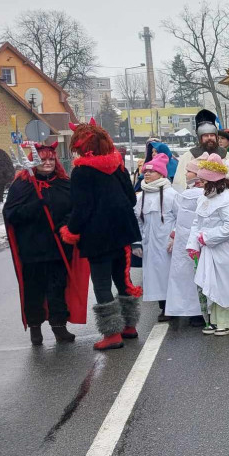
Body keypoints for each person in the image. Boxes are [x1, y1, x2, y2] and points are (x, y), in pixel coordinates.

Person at [60, 123, 143, 351]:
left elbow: (81, 208)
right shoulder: (117, 166)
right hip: (123, 232)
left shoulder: (81, 172)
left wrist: (71, 232)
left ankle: (112, 333)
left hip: (98, 237)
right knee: (122, 278)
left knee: (102, 284)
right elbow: (132, 199)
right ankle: (129, 326)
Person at [4, 141, 82, 345]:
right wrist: (36, 206)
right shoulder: (22, 185)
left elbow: (74, 209)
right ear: (34, 162)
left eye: (51, 159)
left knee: (57, 288)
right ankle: (35, 328)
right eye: (43, 159)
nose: (47, 163)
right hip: (32, 248)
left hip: (58, 247)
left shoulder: (65, 184)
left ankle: (59, 326)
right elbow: (11, 214)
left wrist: (65, 226)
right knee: (34, 290)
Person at [186, 154, 229, 336]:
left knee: (223, 284)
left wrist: (207, 237)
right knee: (208, 283)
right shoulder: (204, 198)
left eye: (203, 180)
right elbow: (197, 222)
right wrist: (193, 244)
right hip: (207, 248)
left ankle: (228, 321)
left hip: (226, 248)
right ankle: (213, 320)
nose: (200, 183)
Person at [135, 153, 177, 320]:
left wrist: (175, 236)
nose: (147, 174)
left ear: (161, 174)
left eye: (151, 171)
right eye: (145, 171)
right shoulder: (141, 196)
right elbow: (137, 219)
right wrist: (137, 241)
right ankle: (163, 306)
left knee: (169, 274)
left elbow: (181, 218)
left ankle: (172, 307)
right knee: (154, 276)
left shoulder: (171, 194)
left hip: (167, 243)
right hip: (149, 244)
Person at [165, 162, 206, 325]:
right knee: (187, 275)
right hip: (185, 240)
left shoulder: (195, 194)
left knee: (191, 275)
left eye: (189, 171)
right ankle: (189, 310)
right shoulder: (188, 192)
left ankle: (196, 311)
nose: (186, 173)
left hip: (192, 240)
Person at [173, 110, 229, 192]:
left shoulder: (226, 155)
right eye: (205, 136)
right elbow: (180, 182)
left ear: (216, 137)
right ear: (200, 138)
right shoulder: (189, 156)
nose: (209, 138)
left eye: (212, 135)